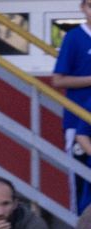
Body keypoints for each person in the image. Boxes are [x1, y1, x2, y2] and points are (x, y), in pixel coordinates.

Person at [53, 0, 91, 211]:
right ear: (83, 8)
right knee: (80, 181)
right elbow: (58, 80)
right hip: (78, 122)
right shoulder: (74, 37)